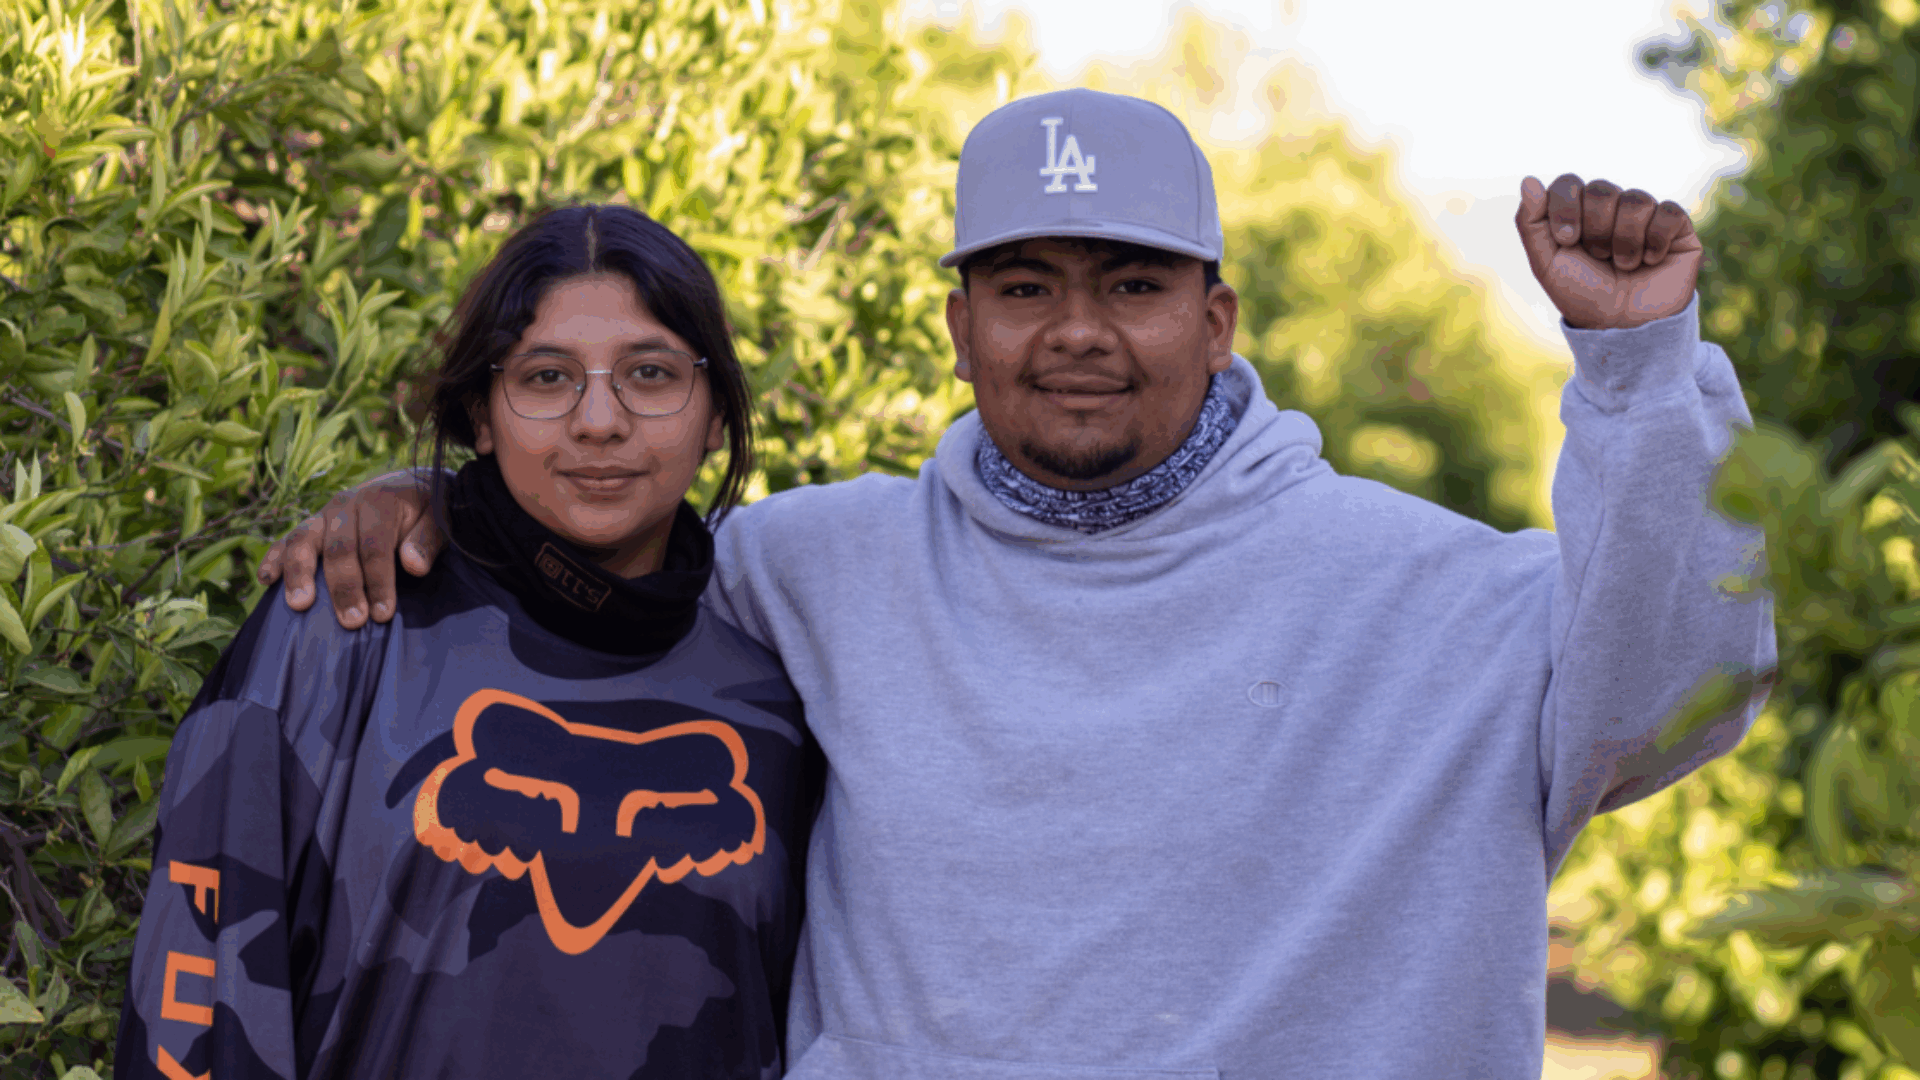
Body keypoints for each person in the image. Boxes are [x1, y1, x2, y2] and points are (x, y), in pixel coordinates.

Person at [260, 89, 1777, 1078]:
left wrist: (1640, 367)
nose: (1075, 332)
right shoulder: (811, 566)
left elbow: (1679, 682)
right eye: (1026, 285)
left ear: (1219, 316)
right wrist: (430, 505)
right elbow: (597, 570)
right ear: (959, 323)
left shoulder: (1441, 599)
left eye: (1130, 283)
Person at [118, 205, 821, 1080]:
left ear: (716, 413)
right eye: (545, 377)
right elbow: (195, 999)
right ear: (482, 415)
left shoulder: (786, 687)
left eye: (650, 373)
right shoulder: (345, 621)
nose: (598, 421)